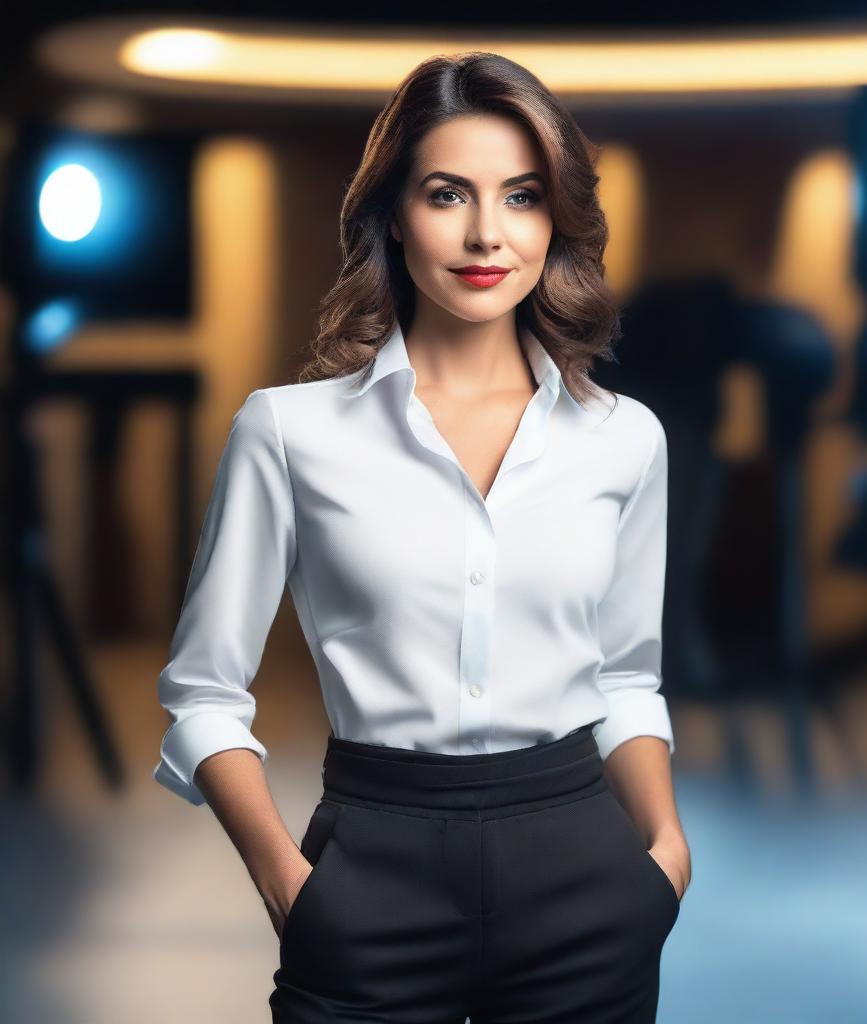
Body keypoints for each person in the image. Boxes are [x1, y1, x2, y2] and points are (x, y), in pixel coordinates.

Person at [153, 50, 692, 1023]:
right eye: (449, 194)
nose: (487, 233)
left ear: (554, 219)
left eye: (521, 196)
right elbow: (200, 695)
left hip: (584, 874)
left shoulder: (624, 439)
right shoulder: (287, 432)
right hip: (368, 877)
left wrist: (663, 853)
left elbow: (624, 678)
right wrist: (289, 884)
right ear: (393, 215)